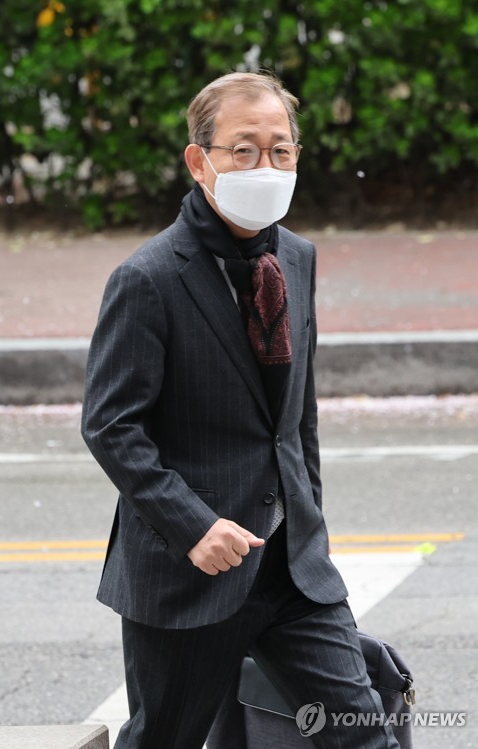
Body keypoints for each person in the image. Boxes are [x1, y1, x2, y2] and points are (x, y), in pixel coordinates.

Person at [81, 71, 400, 749]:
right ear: (200, 162)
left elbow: (296, 418)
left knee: (363, 733)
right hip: (191, 571)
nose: (266, 166)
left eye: (280, 150)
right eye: (244, 150)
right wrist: (192, 525)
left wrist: (309, 524)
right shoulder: (148, 277)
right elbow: (111, 425)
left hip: (294, 573)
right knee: (163, 739)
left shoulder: (296, 258)